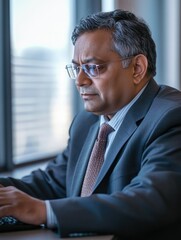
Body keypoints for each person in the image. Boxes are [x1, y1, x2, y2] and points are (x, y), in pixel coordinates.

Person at [0, 9, 181, 239]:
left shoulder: (171, 117)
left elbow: (149, 200)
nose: (80, 81)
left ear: (137, 68)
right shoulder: (87, 123)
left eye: (94, 68)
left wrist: (41, 211)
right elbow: (52, 183)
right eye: (77, 68)